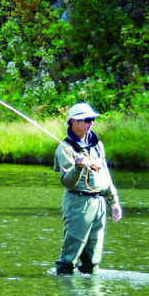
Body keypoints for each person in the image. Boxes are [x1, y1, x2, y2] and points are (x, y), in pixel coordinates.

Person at [53, 102, 122, 275]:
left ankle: (90, 288)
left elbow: (104, 173)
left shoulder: (97, 145)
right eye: (87, 119)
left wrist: (114, 201)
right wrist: (78, 167)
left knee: (93, 258)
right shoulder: (65, 149)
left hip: (99, 203)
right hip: (78, 204)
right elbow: (68, 182)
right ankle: (64, 285)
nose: (91, 122)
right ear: (74, 121)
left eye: (93, 119)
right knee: (70, 255)